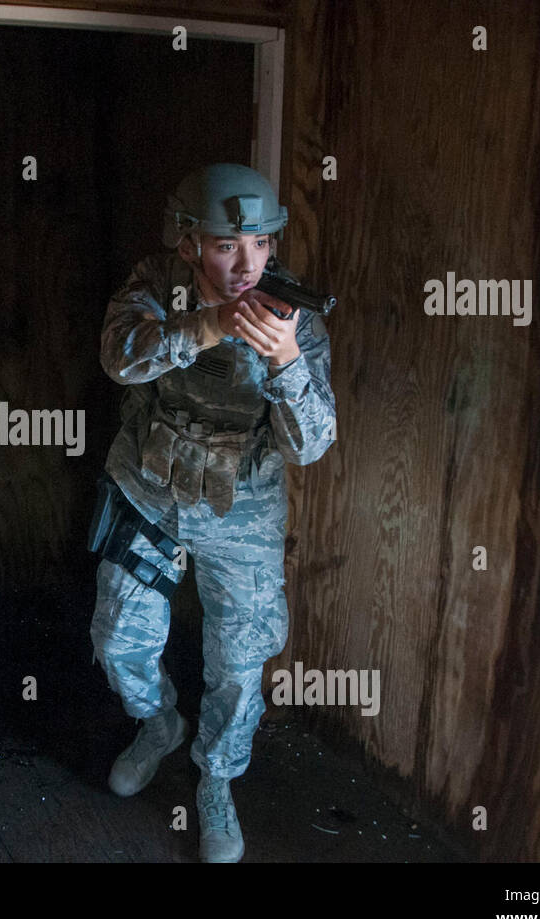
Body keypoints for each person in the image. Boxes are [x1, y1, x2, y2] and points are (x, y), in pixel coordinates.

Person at [89, 162, 337, 862]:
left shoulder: (294, 314)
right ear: (189, 242)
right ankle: (159, 721)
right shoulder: (155, 283)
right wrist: (208, 326)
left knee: (239, 660)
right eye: (228, 245)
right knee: (119, 640)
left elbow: (313, 444)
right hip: (152, 491)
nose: (248, 264)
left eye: (260, 244)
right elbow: (121, 356)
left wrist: (287, 360)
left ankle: (217, 778)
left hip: (244, 509)